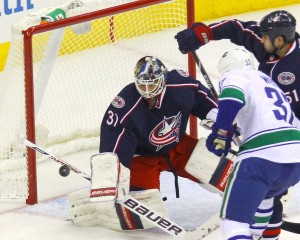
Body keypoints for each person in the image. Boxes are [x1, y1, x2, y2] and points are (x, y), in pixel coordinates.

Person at [175, 10, 300, 239]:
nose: (261, 41)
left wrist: (222, 132)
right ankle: (268, 230)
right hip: (288, 140)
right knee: (270, 195)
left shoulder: (240, 76)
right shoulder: (267, 45)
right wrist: (206, 34)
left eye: (265, 38)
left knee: (237, 219)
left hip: (275, 140)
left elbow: (234, 99)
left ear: (280, 40)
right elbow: (235, 27)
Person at [67, 56, 219, 231]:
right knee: (143, 212)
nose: (147, 91)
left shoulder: (180, 86)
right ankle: (99, 208)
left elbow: (201, 98)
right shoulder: (126, 105)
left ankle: (245, 194)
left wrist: (218, 117)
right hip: (142, 158)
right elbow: (114, 142)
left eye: (152, 84)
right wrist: (111, 175)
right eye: (142, 85)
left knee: (217, 168)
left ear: (163, 79)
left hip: (177, 146)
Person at [205, 48, 300, 240]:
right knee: (265, 199)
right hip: (295, 159)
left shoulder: (235, 76)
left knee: (233, 223)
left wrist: (221, 133)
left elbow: (232, 99)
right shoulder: (269, 82)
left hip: (261, 159)